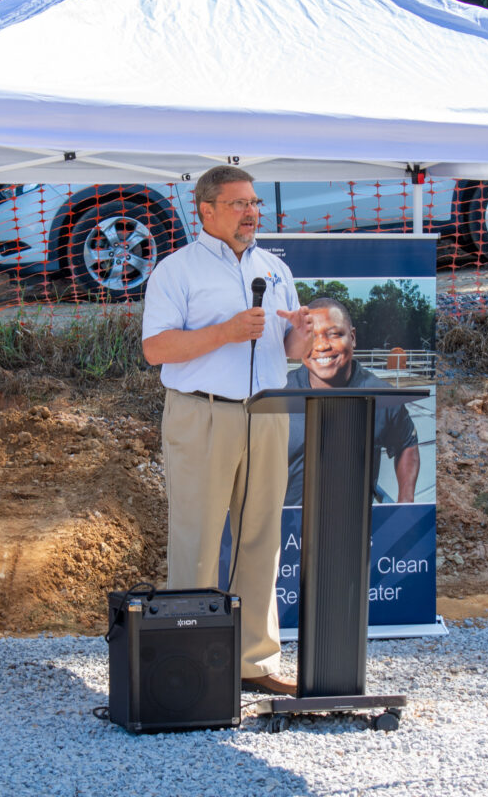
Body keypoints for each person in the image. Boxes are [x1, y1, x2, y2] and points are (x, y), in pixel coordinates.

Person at [142, 166, 313, 696]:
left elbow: (284, 351)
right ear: (206, 210)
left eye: (255, 203)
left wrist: (302, 338)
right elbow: (156, 350)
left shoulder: (275, 270)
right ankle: (188, 667)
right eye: (238, 204)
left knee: (262, 536)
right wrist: (226, 333)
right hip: (203, 414)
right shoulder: (176, 271)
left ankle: (253, 664)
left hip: (267, 413)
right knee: (196, 538)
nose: (251, 213)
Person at [284, 297, 420, 507]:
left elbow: (406, 443)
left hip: (356, 524)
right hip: (289, 526)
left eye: (334, 334)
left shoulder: (382, 396)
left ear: (353, 337)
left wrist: (405, 503)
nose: (321, 345)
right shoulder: (279, 394)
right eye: (311, 336)